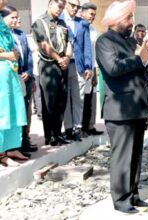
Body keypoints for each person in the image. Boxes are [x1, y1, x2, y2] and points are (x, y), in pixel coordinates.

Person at [95, 0, 148, 214]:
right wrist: (139, 59)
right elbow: (113, 68)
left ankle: (133, 195)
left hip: (138, 106)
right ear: (116, 20)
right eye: (128, 18)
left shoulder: (130, 42)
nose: (132, 22)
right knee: (122, 156)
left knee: (136, 155)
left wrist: (147, 59)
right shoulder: (104, 42)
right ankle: (121, 201)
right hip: (120, 110)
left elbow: (145, 67)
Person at [32, 0, 72, 146]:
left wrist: (67, 57)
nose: (61, 10)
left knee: (61, 100)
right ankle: (50, 136)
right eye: (59, 6)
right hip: (48, 65)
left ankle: (58, 132)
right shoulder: (39, 22)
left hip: (62, 64)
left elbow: (68, 42)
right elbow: (44, 44)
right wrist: (59, 59)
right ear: (50, 4)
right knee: (49, 101)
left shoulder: (62, 23)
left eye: (62, 7)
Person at [2, 5, 38, 154]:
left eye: (17, 17)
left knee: (22, 111)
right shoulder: (3, 34)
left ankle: (20, 142)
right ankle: (8, 149)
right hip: (7, 77)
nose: (16, 20)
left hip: (21, 76)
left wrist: (29, 73)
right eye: (12, 17)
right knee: (8, 112)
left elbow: (27, 55)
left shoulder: (18, 34)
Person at [0, 0, 29, 166]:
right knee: (2, 112)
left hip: (9, 73)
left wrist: (13, 53)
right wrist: (6, 56)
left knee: (12, 110)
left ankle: (10, 148)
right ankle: (1, 154)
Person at [62, 0, 92, 141]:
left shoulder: (83, 23)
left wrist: (88, 66)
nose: (75, 8)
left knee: (78, 97)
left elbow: (87, 47)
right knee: (66, 98)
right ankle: (68, 128)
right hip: (63, 64)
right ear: (66, 4)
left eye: (78, 7)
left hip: (79, 64)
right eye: (73, 5)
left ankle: (77, 127)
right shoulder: (59, 20)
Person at [79, 2, 103, 136]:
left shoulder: (93, 29)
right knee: (82, 98)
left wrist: (95, 70)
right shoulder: (78, 27)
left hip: (92, 67)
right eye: (90, 14)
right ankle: (80, 127)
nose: (92, 17)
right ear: (82, 13)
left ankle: (89, 126)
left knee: (91, 97)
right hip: (81, 69)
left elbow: (94, 52)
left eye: (94, 15)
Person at [133, 23, 148, 89]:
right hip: (134, 78)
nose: (140, 33)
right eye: (138, 31)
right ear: (134, 32)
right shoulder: (130, 43)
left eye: (143, 31)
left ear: (145, 33)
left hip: (145, 78)